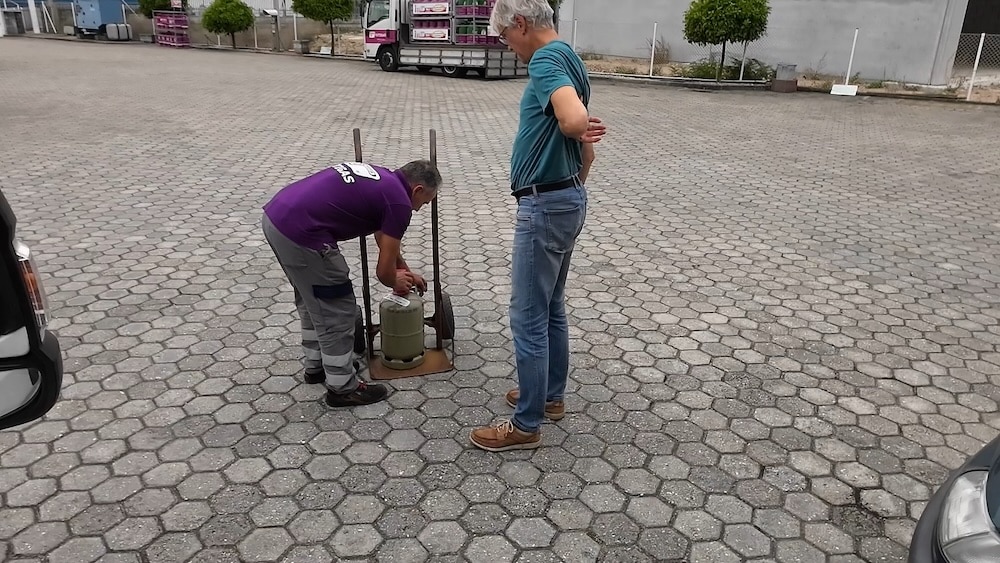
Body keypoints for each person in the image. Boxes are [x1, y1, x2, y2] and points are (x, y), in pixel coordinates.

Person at [470, 0, 607, 452]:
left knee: (527, 316)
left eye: (506, 37)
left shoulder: (547, 59)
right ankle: (549, 397)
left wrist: (576, 126)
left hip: (545, 204)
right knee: (551, 307)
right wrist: (575, 187)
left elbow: (574, 121)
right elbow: (585, 146)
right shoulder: (570, 55)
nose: (508, 47)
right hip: (564, 198)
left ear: (521, 24)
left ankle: (525, 425)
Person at [262, 159, 442, 408]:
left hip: (278, 218)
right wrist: (395, 281)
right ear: (418, 190)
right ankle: (343, 387)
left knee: (311, 298)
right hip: (303, 233)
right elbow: (382, 272)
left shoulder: (384, 179)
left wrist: (405, 272)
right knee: (337, 307)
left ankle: (317, 367)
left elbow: (384, 237)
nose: (420, 209)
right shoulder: (400, 203)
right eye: (425, 202)